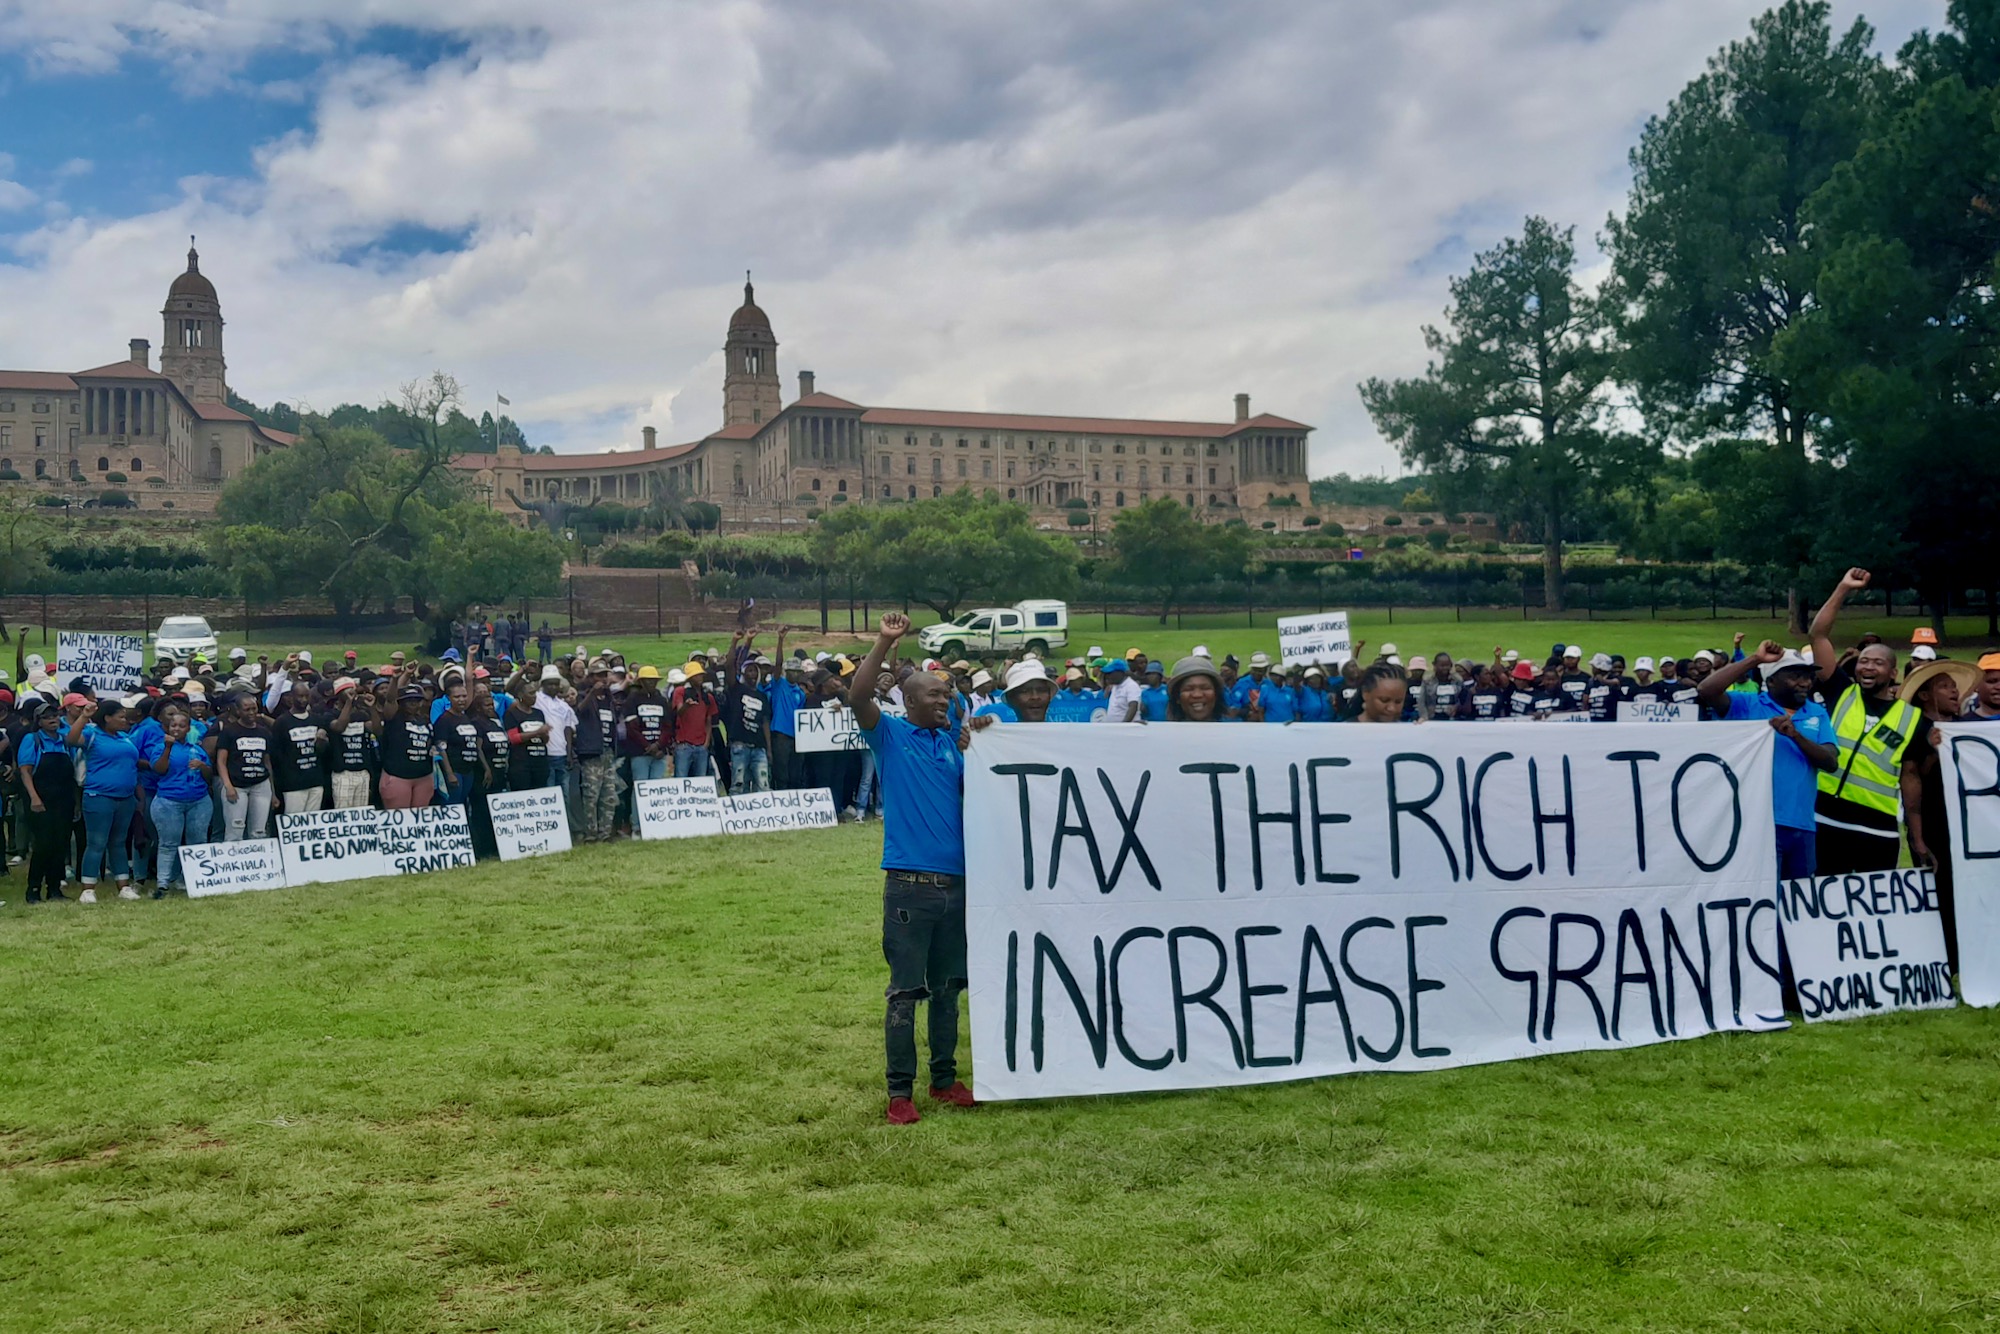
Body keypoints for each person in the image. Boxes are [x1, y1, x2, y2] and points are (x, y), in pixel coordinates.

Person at [850, 613, 973, 1124]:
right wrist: (884, 642)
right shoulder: (891, 739)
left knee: (948, 991)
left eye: (947, 696)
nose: (943, 701)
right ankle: (900, 1093)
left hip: (959, 887)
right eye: (934, 697)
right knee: (905, 991)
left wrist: (976, 738)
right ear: (909, 702)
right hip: (909, 888)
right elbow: (859, 697)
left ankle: (943, 1080)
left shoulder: (953, 746)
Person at [1809, 568, 1920, 873]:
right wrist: (1843, 588)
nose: (1868, 667)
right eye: (1864, 661)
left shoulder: (1914, 720)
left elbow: (1912, 781)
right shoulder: (1841, 691)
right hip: (1824, 820)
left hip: (1877, 832)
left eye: (1878, 662)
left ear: (1893, 673)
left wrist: (1919, 839)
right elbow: (1818, 635)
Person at [1698, 643, 1838, 880]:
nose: (1804, 683)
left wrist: (1795, 735)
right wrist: (1756, 659)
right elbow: (1706, 690)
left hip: (1802, 824)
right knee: (1763, 894)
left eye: (1807, 676)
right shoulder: (1748, 705)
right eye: (1795, 676)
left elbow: (1830, 761)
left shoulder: (1817, 712)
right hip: (1758, 823)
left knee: (1800, 901)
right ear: (1771, 680)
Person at [1899, 659, 1977, 976]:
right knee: (1940, 889)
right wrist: (1918, 838)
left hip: (1966, 824)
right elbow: (1913, 781)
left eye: (1954, 686)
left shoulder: (1962, 726)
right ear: (1925, 695)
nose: (1954, 692)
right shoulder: (1916, 729)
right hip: (1934, 822)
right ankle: (1946, 959)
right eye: (1945, 686)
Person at [64, 698, 142, 901]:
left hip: (125, 798)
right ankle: (88, 888)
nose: (126, 720)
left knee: (118, 842)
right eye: (121, 716)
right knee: (97, 843)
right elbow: (71, 739)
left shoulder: (124, 737)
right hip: (99, 797)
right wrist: (84, 716)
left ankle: (123, 886)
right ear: (107, 718)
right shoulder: (93, 734)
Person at [145, 704, 215, 897]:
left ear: (188, 728)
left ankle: (191, 880)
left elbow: (210, 775)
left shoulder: (197, 749)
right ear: (167, 727)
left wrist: (202, 766)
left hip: (199, 801)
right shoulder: (160, 747)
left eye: (181, 726)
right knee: (168, 843)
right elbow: (159, 769)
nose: (176, 729)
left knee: (197, 841)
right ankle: (163, 883)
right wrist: (168, 748)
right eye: (173, 725)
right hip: (169, 801)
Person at [17, 696, 76, 903]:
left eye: (55, 715)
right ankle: (33, 890)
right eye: (47, 717)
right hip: (41, 799)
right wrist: (34, 798)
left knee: (60, 844)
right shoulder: (33, 740)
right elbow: (25, 771)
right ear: (38, 721)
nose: (53, 719)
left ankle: (54, 889)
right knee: (43, 845)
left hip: (64, 800)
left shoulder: (64, 740)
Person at [217, 689, 276, 842]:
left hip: (260, 786)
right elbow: (221, 761)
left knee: (259, 832)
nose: (251, 712)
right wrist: (228, 786)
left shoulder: (264, 732)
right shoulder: (229, 731)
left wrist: (273, 792)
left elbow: (267, 762)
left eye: (254, 708)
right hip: (237, 786)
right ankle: (233, 863)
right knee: (235, 832)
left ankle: (258, 863)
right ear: (238, 710)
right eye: (247, 709)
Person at [270, 682, 332, 816]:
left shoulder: (316, 719)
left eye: (306, 696)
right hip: (293, 783)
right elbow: (276, 755)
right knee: (294, 821)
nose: (303, 700)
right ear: (291, 697)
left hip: (315, 780)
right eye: (300, 696)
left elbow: (323, 752)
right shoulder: (282, 722)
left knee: (313, 821)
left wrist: (322, 742)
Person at [373, 686, 437, 809]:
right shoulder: (393, 719)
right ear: (401, 703)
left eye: (417, 700)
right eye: (409, 700)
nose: (414, 703)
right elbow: (390, 700)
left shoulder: (425, 721)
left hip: (424, 775)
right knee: (399, 820)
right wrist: (396, 679)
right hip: (398, 776)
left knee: (420, 819)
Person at [1166, 655, 1233, 722]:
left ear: (1216, 694)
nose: (1197, 695)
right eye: (1189, 689)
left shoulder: (1233, 730)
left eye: (1205, 688)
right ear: (1177, 697)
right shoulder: (1163, 731)